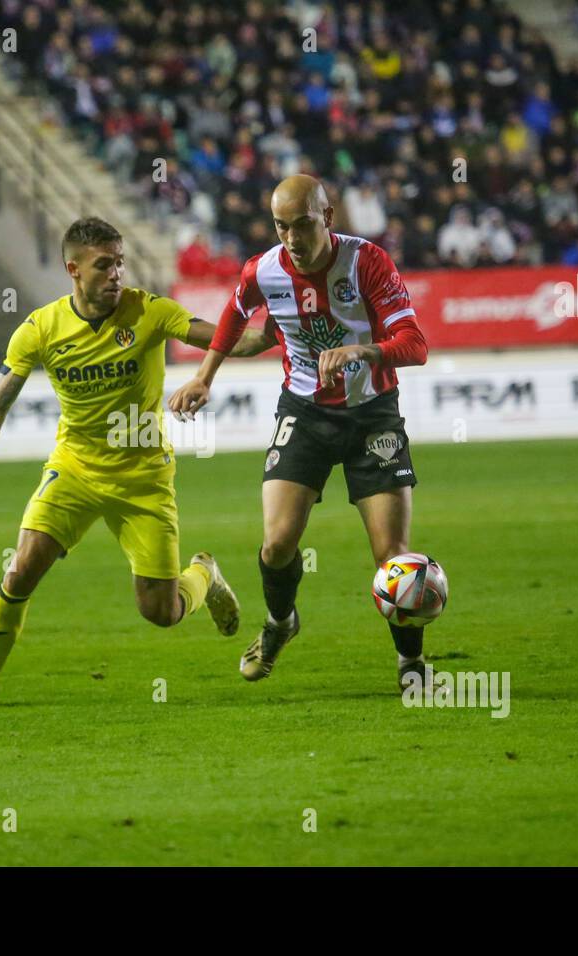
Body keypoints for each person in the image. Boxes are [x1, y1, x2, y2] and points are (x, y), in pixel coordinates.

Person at [0, 217, 257, 709]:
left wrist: (284, 329)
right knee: (20, 571)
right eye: (104, 265)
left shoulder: (150, 311)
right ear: (73, 269)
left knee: (161, 612)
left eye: (120, 263)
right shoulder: (41, 328)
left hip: (143, 477)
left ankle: (204, 576)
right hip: (75, 469)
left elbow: (230, 340)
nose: (116, 274)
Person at [167, 175, 432, 688]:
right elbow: (233, 315)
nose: (291, 238)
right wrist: (204, 377)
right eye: (281, 226)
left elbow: (415, 345)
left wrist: (362, 351)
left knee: (393, 560)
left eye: (303, 225)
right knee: (277, 545)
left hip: (372, 415)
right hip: (305, 414)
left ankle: (411, 666)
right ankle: (280, 623)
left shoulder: (367, 262)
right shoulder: (263, 270)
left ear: (327, 217)